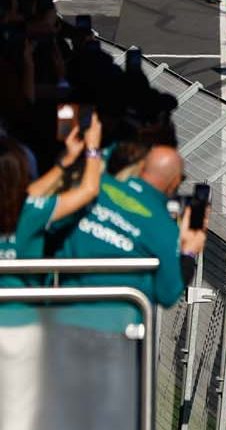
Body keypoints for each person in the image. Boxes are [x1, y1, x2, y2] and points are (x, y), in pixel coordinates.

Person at [51, 144, 205, 430]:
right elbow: (168, 293)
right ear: (174, 183)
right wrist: (189, 252)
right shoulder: (162, 228)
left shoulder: (96, 189)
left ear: (142, 168)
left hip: (64, 323)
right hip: (116, 339)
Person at [0, 115, 104, 430]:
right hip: (21, 328)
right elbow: (87, 190)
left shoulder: (27, 205)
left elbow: (30, 190)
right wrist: (92, 150)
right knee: (19, 415)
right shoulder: (29, 212)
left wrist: (63, 162)